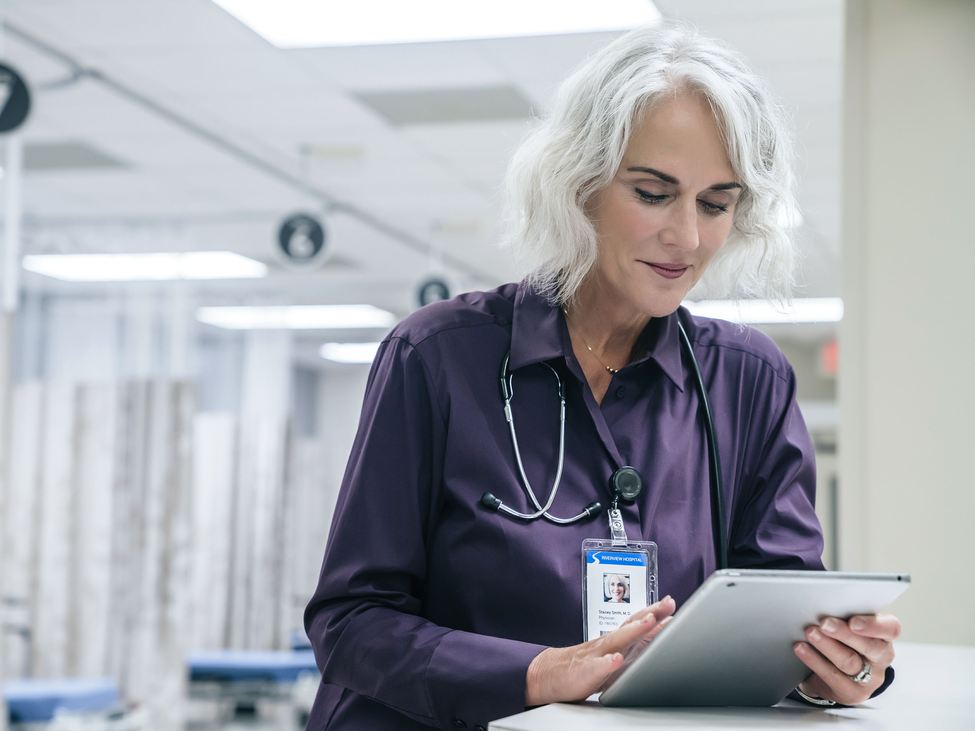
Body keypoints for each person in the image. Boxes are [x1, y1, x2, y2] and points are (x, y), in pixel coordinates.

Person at [304, 22, 901, 730]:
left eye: (715, 203)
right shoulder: (436, 357)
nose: (686, 236)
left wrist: (833, 667)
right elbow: (350, 620)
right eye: (652, 192)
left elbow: (779, 610)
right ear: (578, 182)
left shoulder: (747, 380)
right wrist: (526, 674)